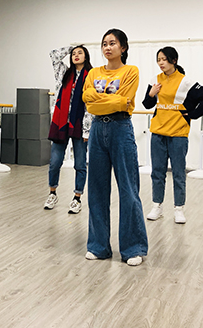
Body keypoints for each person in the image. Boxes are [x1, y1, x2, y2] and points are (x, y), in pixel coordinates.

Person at [82, 28, 148, 266]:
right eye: (104, 44)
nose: (107, 47)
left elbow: (124, 103)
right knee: (96, 189)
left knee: (128, 188)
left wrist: (104, 100)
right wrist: (117, 100)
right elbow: (89, 104)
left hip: (121, 128)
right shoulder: (93, 72)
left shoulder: (131, 71)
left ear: (123, 47)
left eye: (112, 43)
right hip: (97, 129)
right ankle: (98, 246)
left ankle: (133, 248)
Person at [142, 47, 203, 224]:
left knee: (178, 173)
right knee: (157, 172)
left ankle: (179, 208)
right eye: (158, 59)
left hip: (178, 133)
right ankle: (157, 206)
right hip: (158, 132)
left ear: (174, 60)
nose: (161, 63)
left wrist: (193, 114)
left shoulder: (186, 81)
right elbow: (147, 104)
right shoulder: (155, 80)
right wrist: (151, 93)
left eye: (164, 59)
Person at [44, 45, 93, 213]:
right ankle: (52, 193)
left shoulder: (91, 75)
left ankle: (77, 198)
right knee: (55, 162)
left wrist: (87, 130)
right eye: (74, 53)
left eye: (80, 53)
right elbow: (53, 55)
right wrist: (71, 47)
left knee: (80, 164)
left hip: (80, 124)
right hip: (61, 123)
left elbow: (91, 104)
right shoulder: (63, 73)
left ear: (86, 56)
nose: (76, 55)